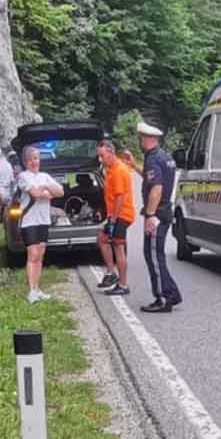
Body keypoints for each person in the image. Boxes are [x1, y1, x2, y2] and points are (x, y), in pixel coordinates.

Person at [137, 121, 182, 313]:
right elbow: (151, 178)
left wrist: (150, 215)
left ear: (148, 139)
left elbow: (156, 187)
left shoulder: (153, 159)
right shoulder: (164, 156)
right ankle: (171, 292)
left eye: (141, 138)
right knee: (155, 255)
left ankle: (164, 298)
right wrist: (133, 165)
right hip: (164, 211)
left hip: (157, 213)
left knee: (154, 256)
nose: (139, 141)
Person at [14, 145, 64, 304]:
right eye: (31, 159)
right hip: (29, 220)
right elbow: (35, 194)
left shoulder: (45, 175)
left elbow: (60, 192)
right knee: (33, 254)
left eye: (36, 158)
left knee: (41, 253)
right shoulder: (23, 176)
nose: (35, 162)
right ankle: (31, 291)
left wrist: (44, 187)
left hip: (43, 220)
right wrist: (46, 191)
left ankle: (37, 288)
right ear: (26, 161)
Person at [95, 139, 135, 297]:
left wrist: (113, 219)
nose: (100, 159)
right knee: (102, 238)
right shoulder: (111, 168)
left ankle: (123, 284)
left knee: (118, 247)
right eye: (98, 156)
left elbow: (120, 198)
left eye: (102, 156)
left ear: (111, 153)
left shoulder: (118, 170)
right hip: (116, 214)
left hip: (122, 214)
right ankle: (111, 273)